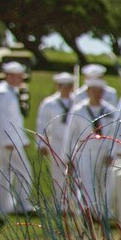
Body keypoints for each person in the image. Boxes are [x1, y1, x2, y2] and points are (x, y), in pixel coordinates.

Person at [63, 78, 118, 222]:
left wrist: (112, 153)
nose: (96, 94)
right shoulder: (78, 110)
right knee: (86, 181)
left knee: (102, 182)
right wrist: (68, 156)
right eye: (93, 91)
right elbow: (70, 135)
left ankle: (101, 210)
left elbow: (115, 133)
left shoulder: (110, 111)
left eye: (99, 91)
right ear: (88, 92)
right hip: (85, 151)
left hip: (104, 150)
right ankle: (89, 211)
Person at [0, 61, 34, 215]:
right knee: (23, 171)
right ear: (9, 76)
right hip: (8, 141)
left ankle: (6, 206)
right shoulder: (2, 93)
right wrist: (7, 141)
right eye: (18, 75)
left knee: (6, 172)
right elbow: (1, 119)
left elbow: (14, 119)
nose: (21, 78)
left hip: (12, 140)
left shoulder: (10, 91)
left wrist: (21, 139)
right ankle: (22, 203)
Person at [36, 72, 75, 206]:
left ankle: (73, 202)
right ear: (57, 86)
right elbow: (42, 124)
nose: (66, 89)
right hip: (56, 142)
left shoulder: (77, 102)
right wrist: (41, 143)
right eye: (62, 86)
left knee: (73, 173)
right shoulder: (49, 103)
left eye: (68, 86)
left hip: (73, 142)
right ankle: (60, 202)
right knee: (57, 173)